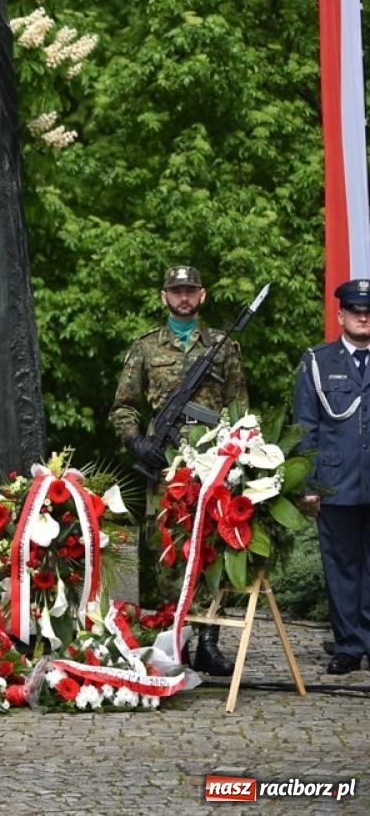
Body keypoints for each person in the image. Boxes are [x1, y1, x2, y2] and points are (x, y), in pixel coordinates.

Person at [108, 265, 247, 675]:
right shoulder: (145, 348)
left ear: (202, 296)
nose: (183, 297)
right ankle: (174, 638)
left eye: (190, 291)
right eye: (176, 291)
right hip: (166, 466)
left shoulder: (222, 347)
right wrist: (136, 442)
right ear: (164, 296)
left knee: (213, 548)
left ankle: (209, 641)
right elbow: (124, 406)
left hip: (212, 464)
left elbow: (239, 408)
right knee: (169, 550)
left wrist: (235, 457)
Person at [294, 278, 370, 675]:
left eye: (367, 311)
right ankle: (349, 646)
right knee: (340, 565)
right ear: (341, 315)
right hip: (336, 482)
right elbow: (305, 426)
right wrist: (308, 484)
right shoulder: (318, 362)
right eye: (355, 311)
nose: (362, 317)